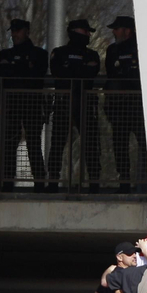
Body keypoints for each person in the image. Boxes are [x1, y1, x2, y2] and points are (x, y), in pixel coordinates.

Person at [47, 19, 103, 190]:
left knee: (91, 144)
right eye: (85, 31)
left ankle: (94, 181)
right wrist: (79, 70)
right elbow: (59, 72)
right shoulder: (59, 52)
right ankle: (53, 181)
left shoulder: (92, 55)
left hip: (85, 104)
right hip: (64, 103)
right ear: (75, 31)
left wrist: (72, 70)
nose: (88, 35)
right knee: (57, 143)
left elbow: (89, 74)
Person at [0, 18, 50, 186]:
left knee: (33, 145)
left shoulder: (39, 53)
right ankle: (7, 184)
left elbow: (35, 76)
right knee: (9, 145)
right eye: (13, 31)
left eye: (17, 30)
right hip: (10, 104)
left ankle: (40, 184)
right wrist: (25, 66)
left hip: (31, 104)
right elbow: (3, 71)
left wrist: (15, 68)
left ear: (27, 31)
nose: (14, 34)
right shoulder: (5, 54)